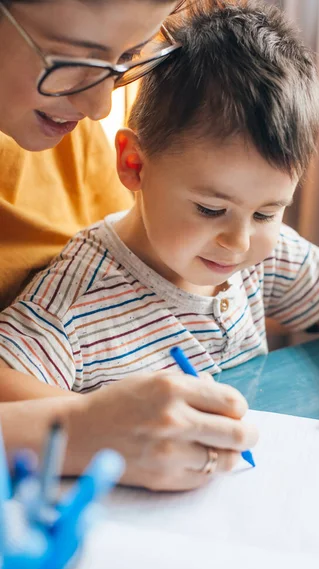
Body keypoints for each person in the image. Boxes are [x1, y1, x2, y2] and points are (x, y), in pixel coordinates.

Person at [1, 0, 319, 471]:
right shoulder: (73, 302)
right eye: (211, 209)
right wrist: (89, 427)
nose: (238, 242)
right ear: (134, 165)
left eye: (268, 212)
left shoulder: (255, 253)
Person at [0, 0, 258, 492]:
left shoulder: (62, 126)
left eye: (127, 58)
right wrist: (78, 432)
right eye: (73, 60)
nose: (99, 107)